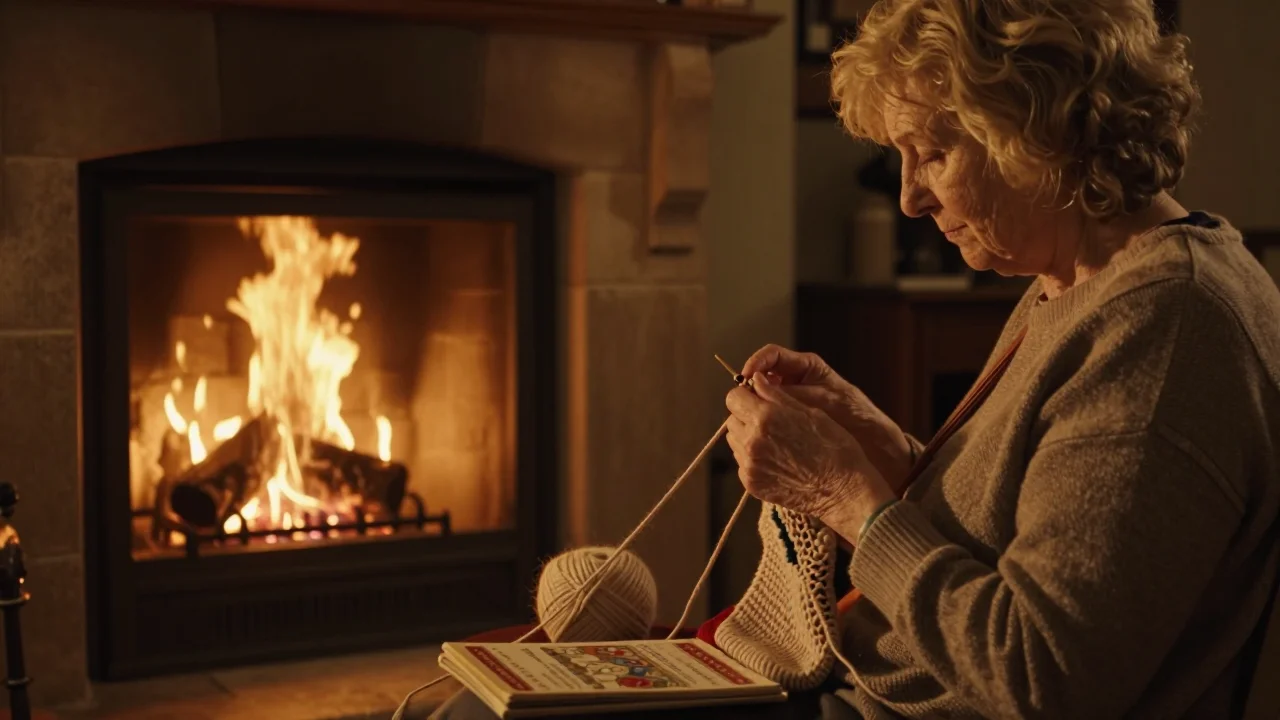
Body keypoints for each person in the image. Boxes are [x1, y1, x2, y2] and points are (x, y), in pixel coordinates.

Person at [713, 0, 1280, 718]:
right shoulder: (1075, 279)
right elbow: (1025, 531)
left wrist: (844, 496)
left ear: (1040, 132)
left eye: (936, 152)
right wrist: (886, 454)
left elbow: (1042, 676)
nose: (910, 198)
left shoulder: (1167, 328)